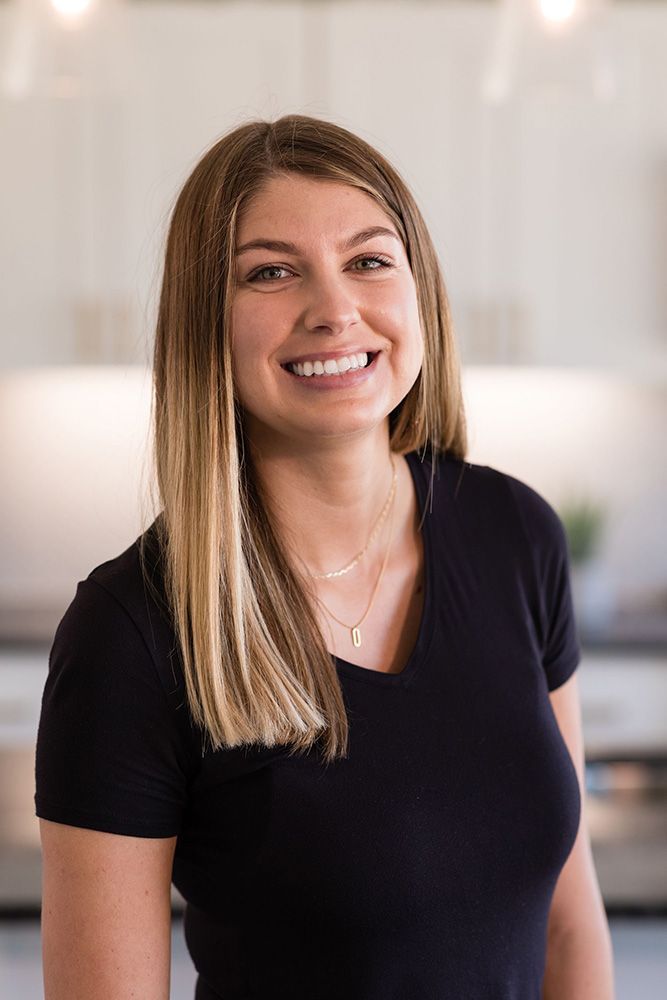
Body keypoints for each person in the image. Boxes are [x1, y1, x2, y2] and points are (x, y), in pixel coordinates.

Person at [35, 113, 614, 999]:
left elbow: (567, 924)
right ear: (205, 321)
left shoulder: (513, 532)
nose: (334, 309)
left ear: (417, 289)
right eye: (270, 272)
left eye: (369, 260)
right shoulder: (135, 632)